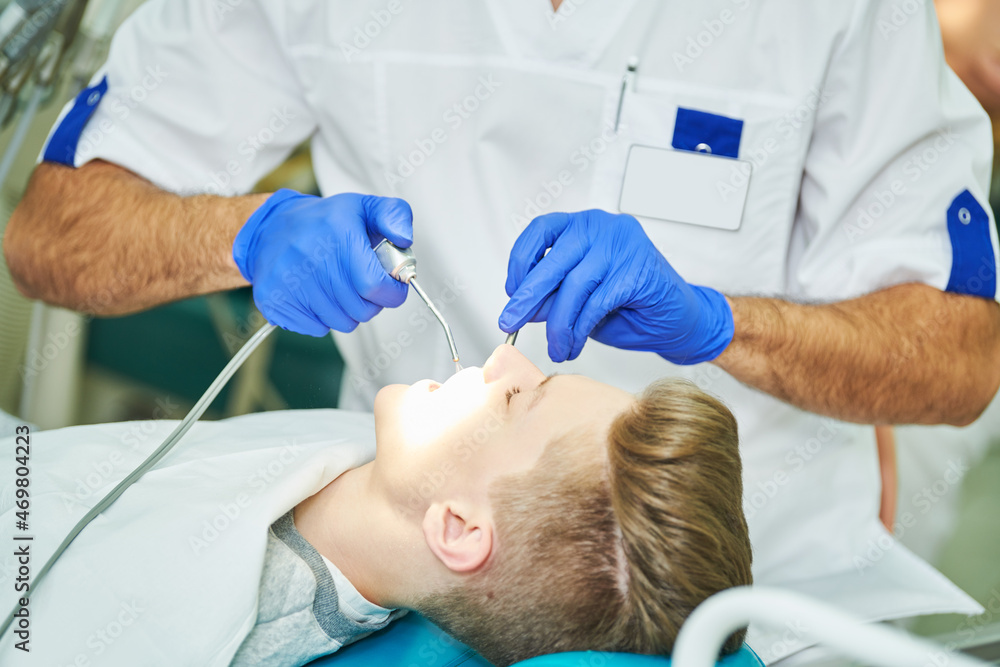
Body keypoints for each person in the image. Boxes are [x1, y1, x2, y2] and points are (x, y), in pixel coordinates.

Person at [2, 0, 997, 634]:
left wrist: (717, 322)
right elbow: (53, 234)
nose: (507, 360)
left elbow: (960, 359)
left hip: (775, 582)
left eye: (535, 389)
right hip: (400, 539)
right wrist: (247, 235)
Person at [0, 345, 751, 666]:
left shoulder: (189, 621)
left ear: (457, 526)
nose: (505, 359)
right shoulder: (372, 455)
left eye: (520, 395)